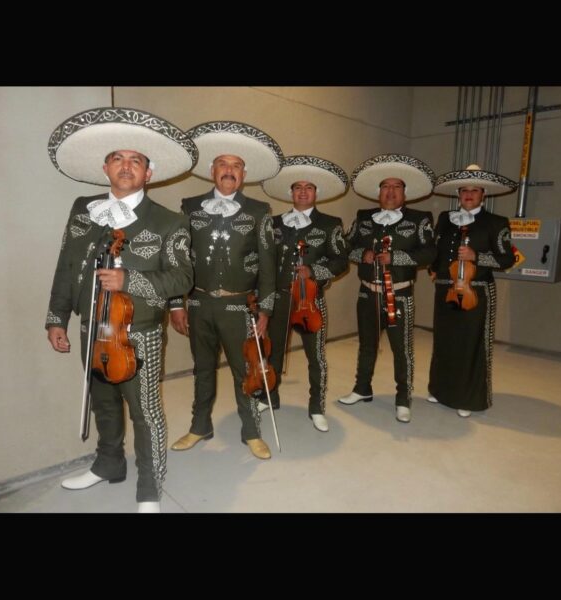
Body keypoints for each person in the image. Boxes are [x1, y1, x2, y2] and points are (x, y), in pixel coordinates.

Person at [45, 106, 197, 512]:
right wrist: (57, 317)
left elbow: (183, 280)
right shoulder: (83, 209)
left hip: (138, 332)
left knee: (145, 412)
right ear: (105, 167)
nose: (126, 166)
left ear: (149, 172)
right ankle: (108, 465)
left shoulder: (170, 222)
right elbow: (66, 266)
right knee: (103, 402)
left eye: (136, 160)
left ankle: (150, 487)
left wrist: (130, 280)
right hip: (90, 329)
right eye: (118, 158)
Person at [169, 121, 282, 460]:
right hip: (200, 304)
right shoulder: (189, 206)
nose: (229, 171)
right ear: (212, 171)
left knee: (245, 371)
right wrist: (176, 303)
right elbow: (178, 257)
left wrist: (265, 310)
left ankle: (251, 431)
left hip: (239, 308)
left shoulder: (260, 211)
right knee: (201, 368)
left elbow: (268, 264)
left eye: (235, 166)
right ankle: (199, 425)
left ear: (243, 175)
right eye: (223, 164)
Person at [338, 154, 436, 423]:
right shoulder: (364, 216)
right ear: (378, 191)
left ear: (405, 192)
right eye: (385, 187)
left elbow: (430, 253)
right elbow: (345, 246)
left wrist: (397, 258)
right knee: (367, 345)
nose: (390, 192)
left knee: (401, 349)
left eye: (396, 187)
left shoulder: (420, 219)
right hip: (367, 291)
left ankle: (403, 398)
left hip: (400, 294)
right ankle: (362, 389)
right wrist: (362, 254)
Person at [259, 156, 349, 432]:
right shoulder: (274, 222)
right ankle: (269, 396)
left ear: (316, 193)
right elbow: (262, 259)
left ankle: (316, 406)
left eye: (308, 188)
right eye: (298, 187)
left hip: (309, 300)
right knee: (272, 352)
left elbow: (341, 261)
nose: (302, 192)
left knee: (316, 356)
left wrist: (314, 271)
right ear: (291, 193)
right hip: (278, 298)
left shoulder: (330, 223)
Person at [427, 164, 517, 417]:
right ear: (458, 194)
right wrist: (433, 268)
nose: (469, 195)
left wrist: (477, 256)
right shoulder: (445, 218)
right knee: (444, 342)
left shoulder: (496, 222)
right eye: (464, 190)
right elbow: (437, 248)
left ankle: (466, 397)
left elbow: (507, 259)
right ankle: (440, 390)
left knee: (471, 345)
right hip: (445, 290)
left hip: (476, 292)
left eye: (474, 191)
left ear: (483, 195)